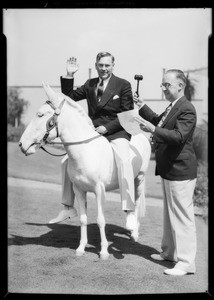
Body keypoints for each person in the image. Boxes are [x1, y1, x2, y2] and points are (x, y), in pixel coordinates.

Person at [49, 52, 137, 230]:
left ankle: (130, 212)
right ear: (96, 65)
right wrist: (69, 75)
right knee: (66, 161)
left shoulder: (123, 85)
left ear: (113, 66)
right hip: (93, 133)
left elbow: (127, 115)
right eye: (100, 65)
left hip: (116, 132)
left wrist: (107, 128)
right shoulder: (90, 84)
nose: (104, 69)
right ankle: (67, 207)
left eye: (107, 65)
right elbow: (69, 98)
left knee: (124, 160)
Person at [134, 69, 198, 276]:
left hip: (181, 170)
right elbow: (156, 120)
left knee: (182, 217)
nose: (162, 88)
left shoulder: (186, 108)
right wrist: (141, 105)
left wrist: (152, 129)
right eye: (162, 84)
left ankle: (187, 262)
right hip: (170, 169)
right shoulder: (173, 107)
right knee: (170, 215)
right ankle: (169, 253)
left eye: (166, 85)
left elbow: (178, 136)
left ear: (180, 85)